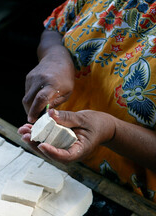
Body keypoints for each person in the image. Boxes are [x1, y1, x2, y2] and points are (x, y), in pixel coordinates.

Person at [18, 0, 156, 201]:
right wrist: (55, 57)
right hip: (53, 163)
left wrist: (112, 131)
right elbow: (54, 28)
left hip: (129, 199)